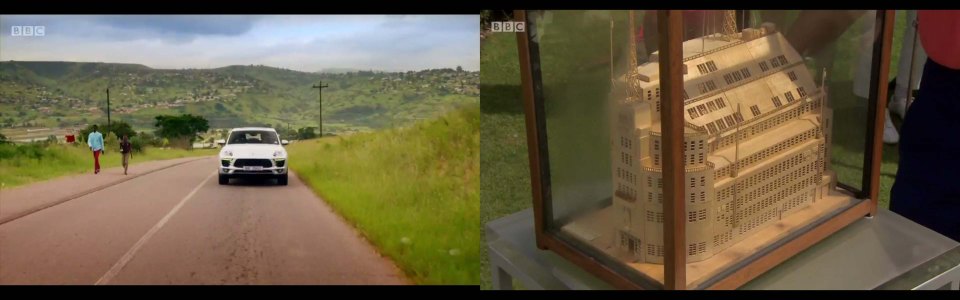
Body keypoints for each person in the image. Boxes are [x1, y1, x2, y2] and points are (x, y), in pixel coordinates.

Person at [787, 10, 960, 241]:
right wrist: (782, 57)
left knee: (917, 232)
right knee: (914, 233)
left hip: (946, 95)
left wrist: (784, 55)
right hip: (944, 88)